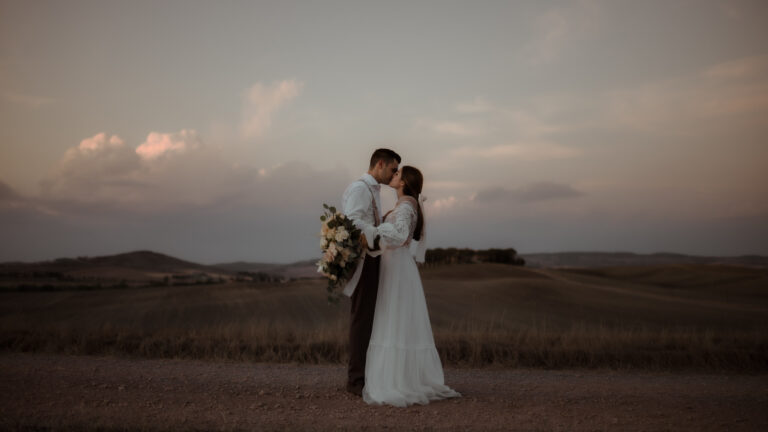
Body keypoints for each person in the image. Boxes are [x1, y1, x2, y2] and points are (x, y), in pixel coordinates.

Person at [362, 166, 461, 407]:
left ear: (404, 181)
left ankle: (398, 381)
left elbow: (400, 234)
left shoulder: (406, 205)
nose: (393, 175)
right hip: (395, 265)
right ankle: (402, 376)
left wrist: (373, 231)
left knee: (394, 318)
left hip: (397, 267)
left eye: (397, 174)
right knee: (396, 318)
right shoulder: (405, 204)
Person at [341, 148, 401, 396]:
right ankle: (356, 381)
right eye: (393, 169)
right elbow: (353, 222)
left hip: (373, 257)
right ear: (380, 164)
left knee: (369, 319)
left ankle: (366, 376)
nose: (394, 174)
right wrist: (381, 232)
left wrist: (382, 225)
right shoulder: (359, 189)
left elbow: (369, 221)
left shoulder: (372, 189)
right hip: (364, 259)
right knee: (362, 319)